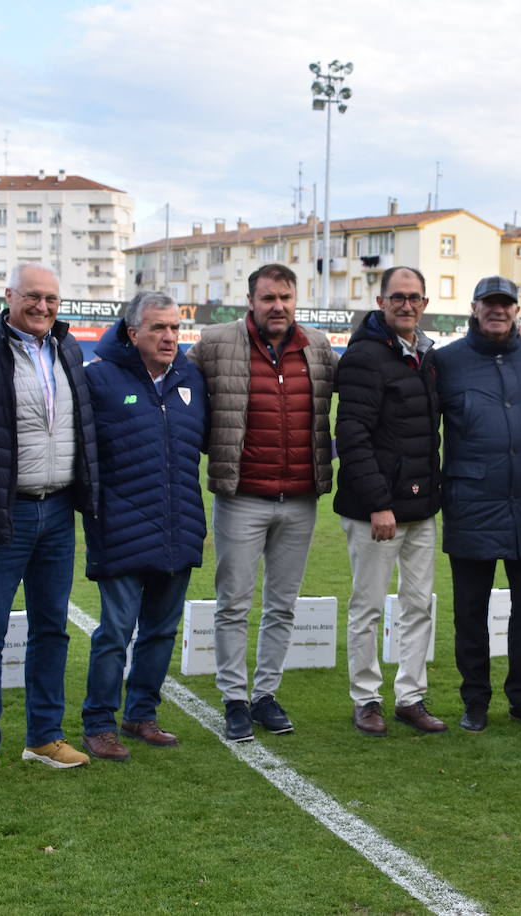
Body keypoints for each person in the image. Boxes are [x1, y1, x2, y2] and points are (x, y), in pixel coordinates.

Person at [0, 262, 99, 782]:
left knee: (52, 629)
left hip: (58, 510)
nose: (42, 307)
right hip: (2, 512)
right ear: (8, 295)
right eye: (32, 297)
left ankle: (44, 737)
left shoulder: (69, 349)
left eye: (52, 299)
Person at [186, 264, 336, 741]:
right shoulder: (215, 342)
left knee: (282, 605)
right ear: (249, 300)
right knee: (232, 603)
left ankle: (265, 694)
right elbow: (172, 380)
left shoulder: (317, 345)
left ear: (297, 300)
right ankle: (234, 697)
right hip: (241, 496)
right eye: (269, 298)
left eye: (286, 298)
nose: (279, 307)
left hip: (299, 497)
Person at [79, 292, 209, 761]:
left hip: (179, 526)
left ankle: (141, 715)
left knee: (160, 631)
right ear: (133, 333)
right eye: (158, 328)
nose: (169, 337)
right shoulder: (97, 380)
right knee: (115, 631)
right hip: (119, 527)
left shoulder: (192, 377)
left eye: (175, 328)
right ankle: (98, 723)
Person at [435, 275, 521, 733]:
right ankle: (475, 699)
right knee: (470, 609)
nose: (498, 311)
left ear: (517, 311)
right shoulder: (446, 361)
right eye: (490, 303)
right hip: (471, 502)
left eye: (506, 304)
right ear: (474, 307)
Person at [334, 266, 445, 736]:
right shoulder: (363, 357)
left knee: (420, 605)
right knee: (369, 606)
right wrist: (380, 503)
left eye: (414, 297)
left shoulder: (427, 354)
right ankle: (366, 698)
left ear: (424, 303)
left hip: (421, 509)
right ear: (380, 302)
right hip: (376, 511)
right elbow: (352, 435)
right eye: (397, 297)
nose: (406, 305)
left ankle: (411, 696)